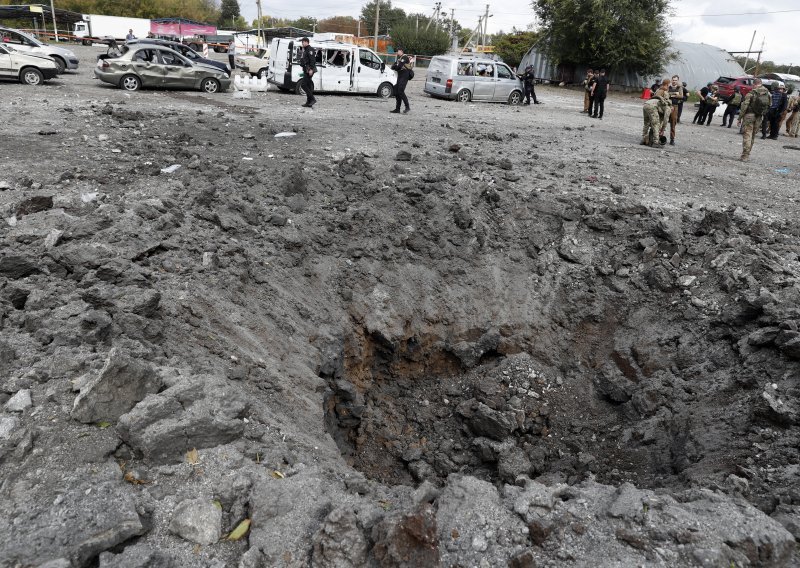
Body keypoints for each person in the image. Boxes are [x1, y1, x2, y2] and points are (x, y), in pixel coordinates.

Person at [737, 78, 771, 161]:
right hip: (759, 117)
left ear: (754, 84)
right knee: (752, 136)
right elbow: (770, 105)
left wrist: (739, 118)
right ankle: (747, 154)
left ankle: (745, 155)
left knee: (747, 134)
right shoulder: (768, 93)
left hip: (749, 115)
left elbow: (744, 106)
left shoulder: (752, 93)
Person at [641, 79, 672, 146]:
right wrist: (663, 129)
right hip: (652, 106)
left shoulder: (658, 89)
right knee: (656, 124)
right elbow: (666, 119)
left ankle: (643, 140)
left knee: (646, 124)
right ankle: (656, 142)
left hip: (646, 104)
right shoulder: (668, 107)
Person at [390, 48, 412, 114]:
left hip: (405, 75)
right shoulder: (399, 58)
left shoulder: (404, 57)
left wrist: (397, 67)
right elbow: (392, 66)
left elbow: (399, 66)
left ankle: (407, 107)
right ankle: (397, 109)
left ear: (401, 51)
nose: (397, 52)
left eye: (398, 51)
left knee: (400, 91)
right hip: (400, 76)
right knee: (396, 91)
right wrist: (396, 66)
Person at [298, 37, 317, 108]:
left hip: (309, 69)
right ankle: (309, 102)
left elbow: (312, 60)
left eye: (303, 42)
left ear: (306, 42)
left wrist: (311, 69)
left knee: (303, 84)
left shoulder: (310, 49)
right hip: (306, 69)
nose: (302, 43)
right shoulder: (305, 50)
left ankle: (312, 99)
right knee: (308, 86)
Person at [666, 75, 685, 145]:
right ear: (671, 80)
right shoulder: (668, 87)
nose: (674, 81)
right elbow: (666, 95)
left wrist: (671, 95)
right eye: (673, 80)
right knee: (662, 121)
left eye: (675, 80)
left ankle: (672, 139)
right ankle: (659, 136)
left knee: (673, 122)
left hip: (675, 106)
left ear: (678, 81)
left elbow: (681, 96)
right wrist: (675, 94)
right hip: (667, 105)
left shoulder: (679, 88)